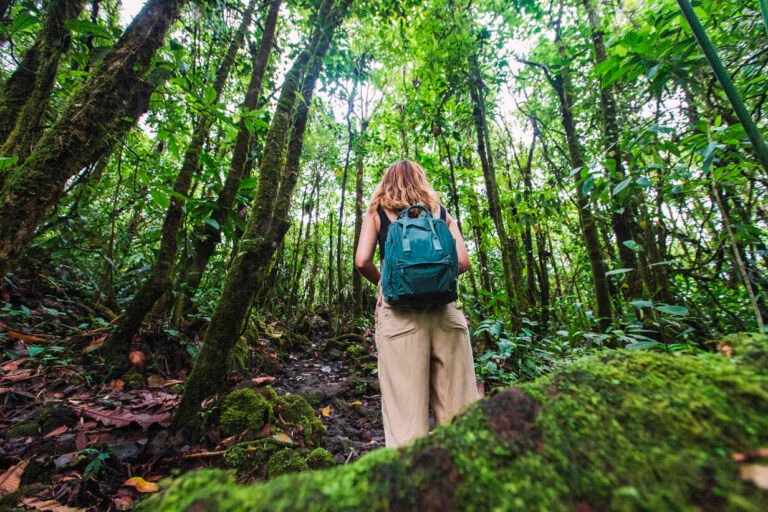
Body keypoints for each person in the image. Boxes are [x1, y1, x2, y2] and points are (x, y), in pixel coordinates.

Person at [354, 159, 478, 448]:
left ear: (386, 182)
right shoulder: (440, 214)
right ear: (422, 181)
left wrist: (392, 283)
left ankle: (413, 486)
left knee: (405, 415)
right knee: (460, 411)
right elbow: (463, 262)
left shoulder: (378, 213)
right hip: (446, 314)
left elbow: (362, 261)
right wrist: (433, 280)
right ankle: (467, 479)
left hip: (399, 317)